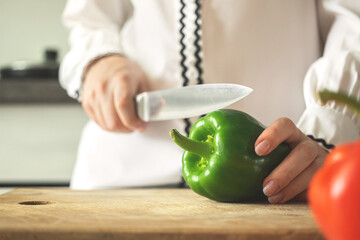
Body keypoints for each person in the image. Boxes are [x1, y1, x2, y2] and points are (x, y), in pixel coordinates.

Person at [60, 0, 360, 204]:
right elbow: (90, 17)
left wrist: (328, 123)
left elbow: (352, 20)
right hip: (119, 179)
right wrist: (100, 58)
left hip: (280, 178)